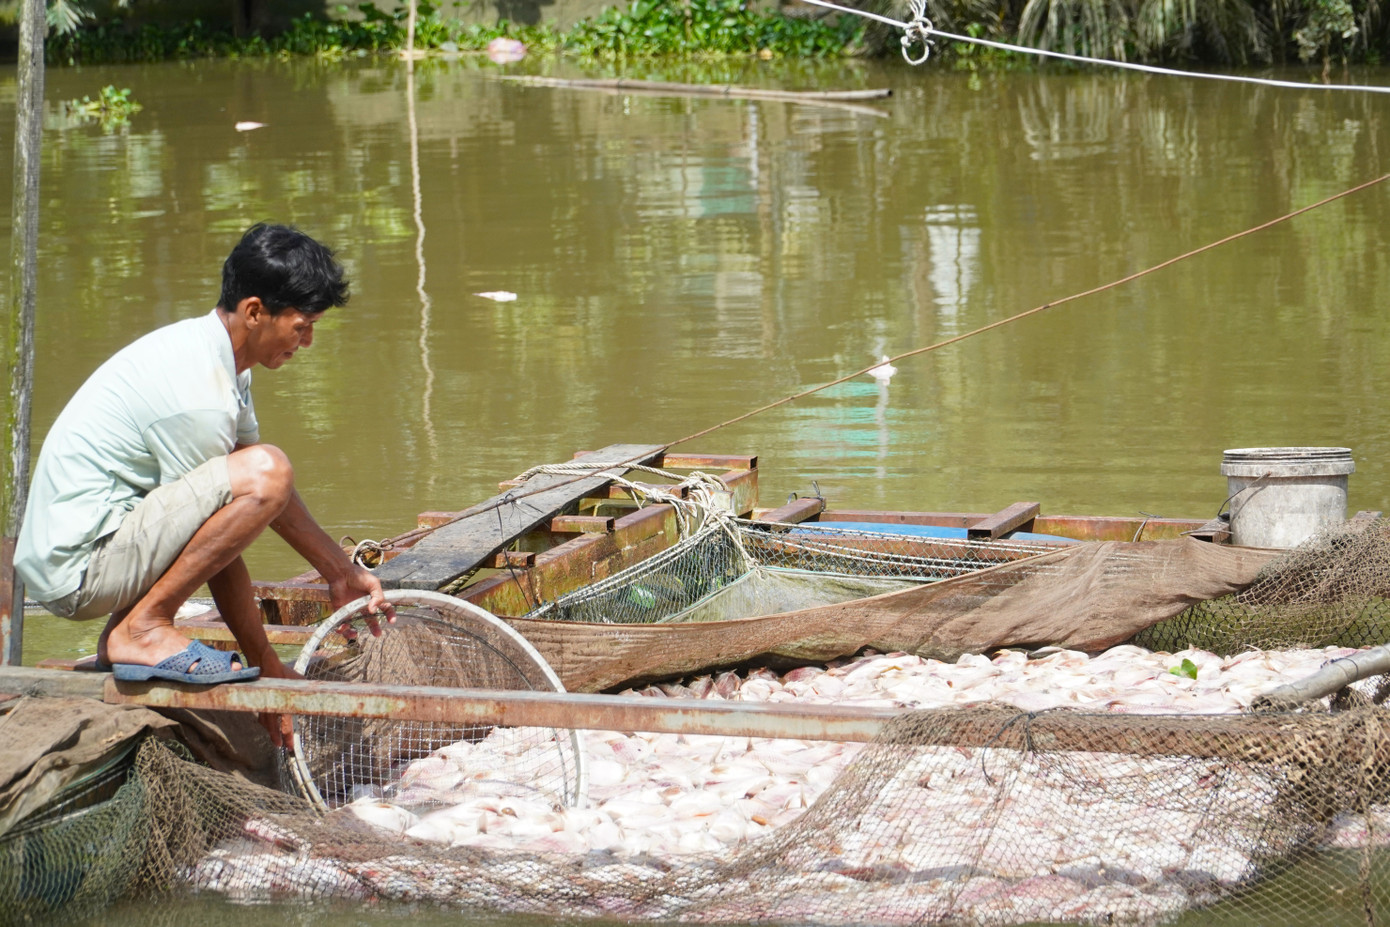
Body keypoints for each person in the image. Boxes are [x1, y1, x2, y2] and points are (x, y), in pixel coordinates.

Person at [15, 222, 394, 703]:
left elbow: (247, 493)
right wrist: (266, 663)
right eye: (302, 327)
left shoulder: (218, 360)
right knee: (268, 470)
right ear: (255, 311)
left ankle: (131, 630)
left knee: (261, 471)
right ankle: (143, 628)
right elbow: (221, 532)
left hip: (97, 547)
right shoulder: (199, 395)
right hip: (80, 570)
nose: (308, 342)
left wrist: (340, 572)